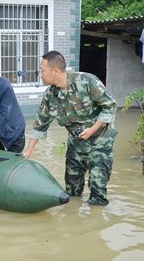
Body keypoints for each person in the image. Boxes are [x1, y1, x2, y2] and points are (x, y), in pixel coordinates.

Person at [22, 50, 118, 206]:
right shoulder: (50, 95)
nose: (40, 74)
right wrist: (28, 151)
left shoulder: (87, 82)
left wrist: (92, 130)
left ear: (55, 71)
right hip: (76, 144)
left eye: (42, 70)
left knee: (97, 194)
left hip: (100, 143)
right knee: (71, 193)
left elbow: (110, 106)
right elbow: (40, 124)